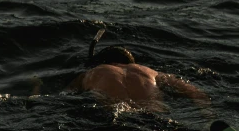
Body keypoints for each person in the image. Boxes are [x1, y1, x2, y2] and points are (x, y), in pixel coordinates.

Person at [65, 28, 212, 114]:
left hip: (115, 115)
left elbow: (66, 94)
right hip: (152, 116)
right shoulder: (150, 72)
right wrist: (207, 114)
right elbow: (195, 93)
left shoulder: (93, 72)